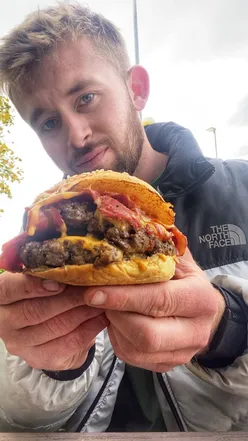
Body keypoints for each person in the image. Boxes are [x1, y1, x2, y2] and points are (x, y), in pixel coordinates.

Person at [0, 3, 248, 433]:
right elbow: (19, 420)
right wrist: (49, 368)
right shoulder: (39, 248)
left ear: (136, 89)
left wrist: (229, 331)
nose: (75, 135)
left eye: (86, 98)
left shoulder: (243, 188)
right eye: (48, 122)